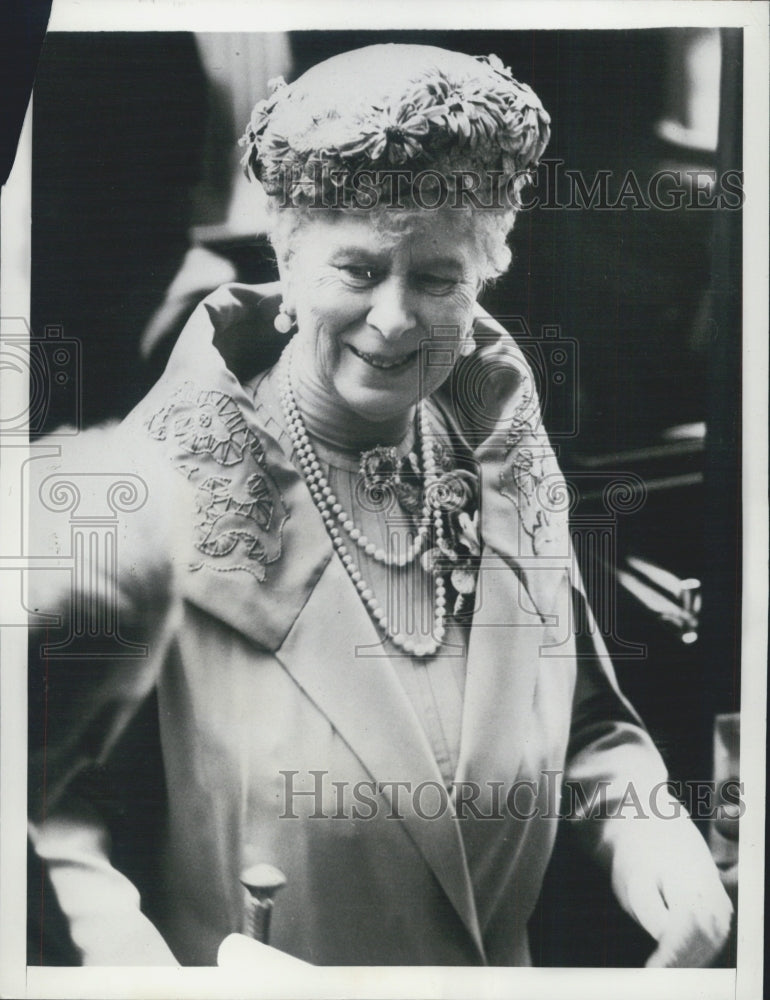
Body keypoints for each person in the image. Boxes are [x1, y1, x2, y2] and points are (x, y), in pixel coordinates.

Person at [27, 43, 732, 968]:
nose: (395, 318)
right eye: (356, 270)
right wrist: (133, 966)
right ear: (285, 258)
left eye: (437, 278)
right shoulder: (147, 504)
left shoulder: (504, 453)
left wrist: (661, 850)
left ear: (483, 276)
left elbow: (591, 728)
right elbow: (45, 814)